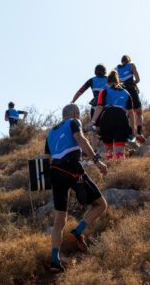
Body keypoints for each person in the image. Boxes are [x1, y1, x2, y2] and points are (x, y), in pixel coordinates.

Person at [44, 104, 108, 273]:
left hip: (55, 173)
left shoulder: (51, 132)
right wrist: (97, 160)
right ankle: (78, 231)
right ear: (74, 114)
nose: (79, 117)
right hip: (72, 169)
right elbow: (80, 138)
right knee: (101, 204)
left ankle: (55, 260)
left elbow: (48, 158)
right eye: (79, 115)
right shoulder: (74, 122)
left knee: (59, 219)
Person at [90, 70, 138, 160]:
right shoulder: (126, 93)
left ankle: (111, 168)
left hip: (107, 121)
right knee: (119, 151)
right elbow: (131, 113)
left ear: (108, 82)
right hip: (121, 120)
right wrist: (134, 129)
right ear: (118, 81)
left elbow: (99, 108)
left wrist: (92, 122)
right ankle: (120, 168)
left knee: (109, 150)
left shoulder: (103, 92)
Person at [71, 64, 108, 150]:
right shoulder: (109, 79)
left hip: (95, 107)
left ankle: (94, 150)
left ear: (95, 72)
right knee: (105, 128)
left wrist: (73, 101)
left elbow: (80, 91)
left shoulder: (92, 80)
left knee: (94, 130)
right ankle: (104, 150)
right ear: (105, 71)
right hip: (107, 107)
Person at [116, 55, 145, 140]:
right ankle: (139, 132)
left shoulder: (116, 69)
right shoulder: (131, 64)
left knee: (128, 113)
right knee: (138, 113)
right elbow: (137, 79)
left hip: (122, 92)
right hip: (131, 90)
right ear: (128, 60)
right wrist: (133, 84)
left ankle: (129, 134)